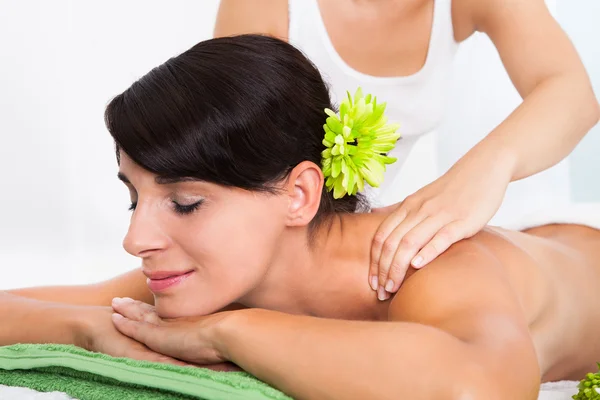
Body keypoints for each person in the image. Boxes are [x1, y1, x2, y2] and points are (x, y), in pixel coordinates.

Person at [2, 35, 600, 399]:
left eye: (185, 203)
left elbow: (481, 389)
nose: (136, 239)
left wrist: (226, 333)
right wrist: (94, 332)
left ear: (298, 195)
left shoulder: (422, 266)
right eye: (135, 198)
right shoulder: (224, 273)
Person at [214, 0, 600, 300]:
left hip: (373, 236)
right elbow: (220, 150)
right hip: (274, 241)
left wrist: (486, 170)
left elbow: (572, 94)